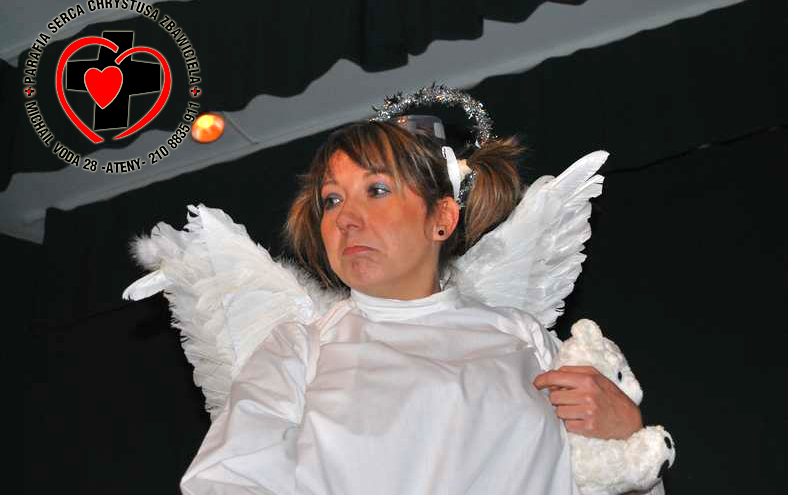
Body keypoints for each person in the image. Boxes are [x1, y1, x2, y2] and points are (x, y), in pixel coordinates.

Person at [123, 87, 671, 494]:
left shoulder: (526, 339)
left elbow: (603, 478)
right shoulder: (298, 348)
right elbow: (226, 483)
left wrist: (626, 433)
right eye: (332, 200)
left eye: (377, 190)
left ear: (442, 218)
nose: (346, 218)